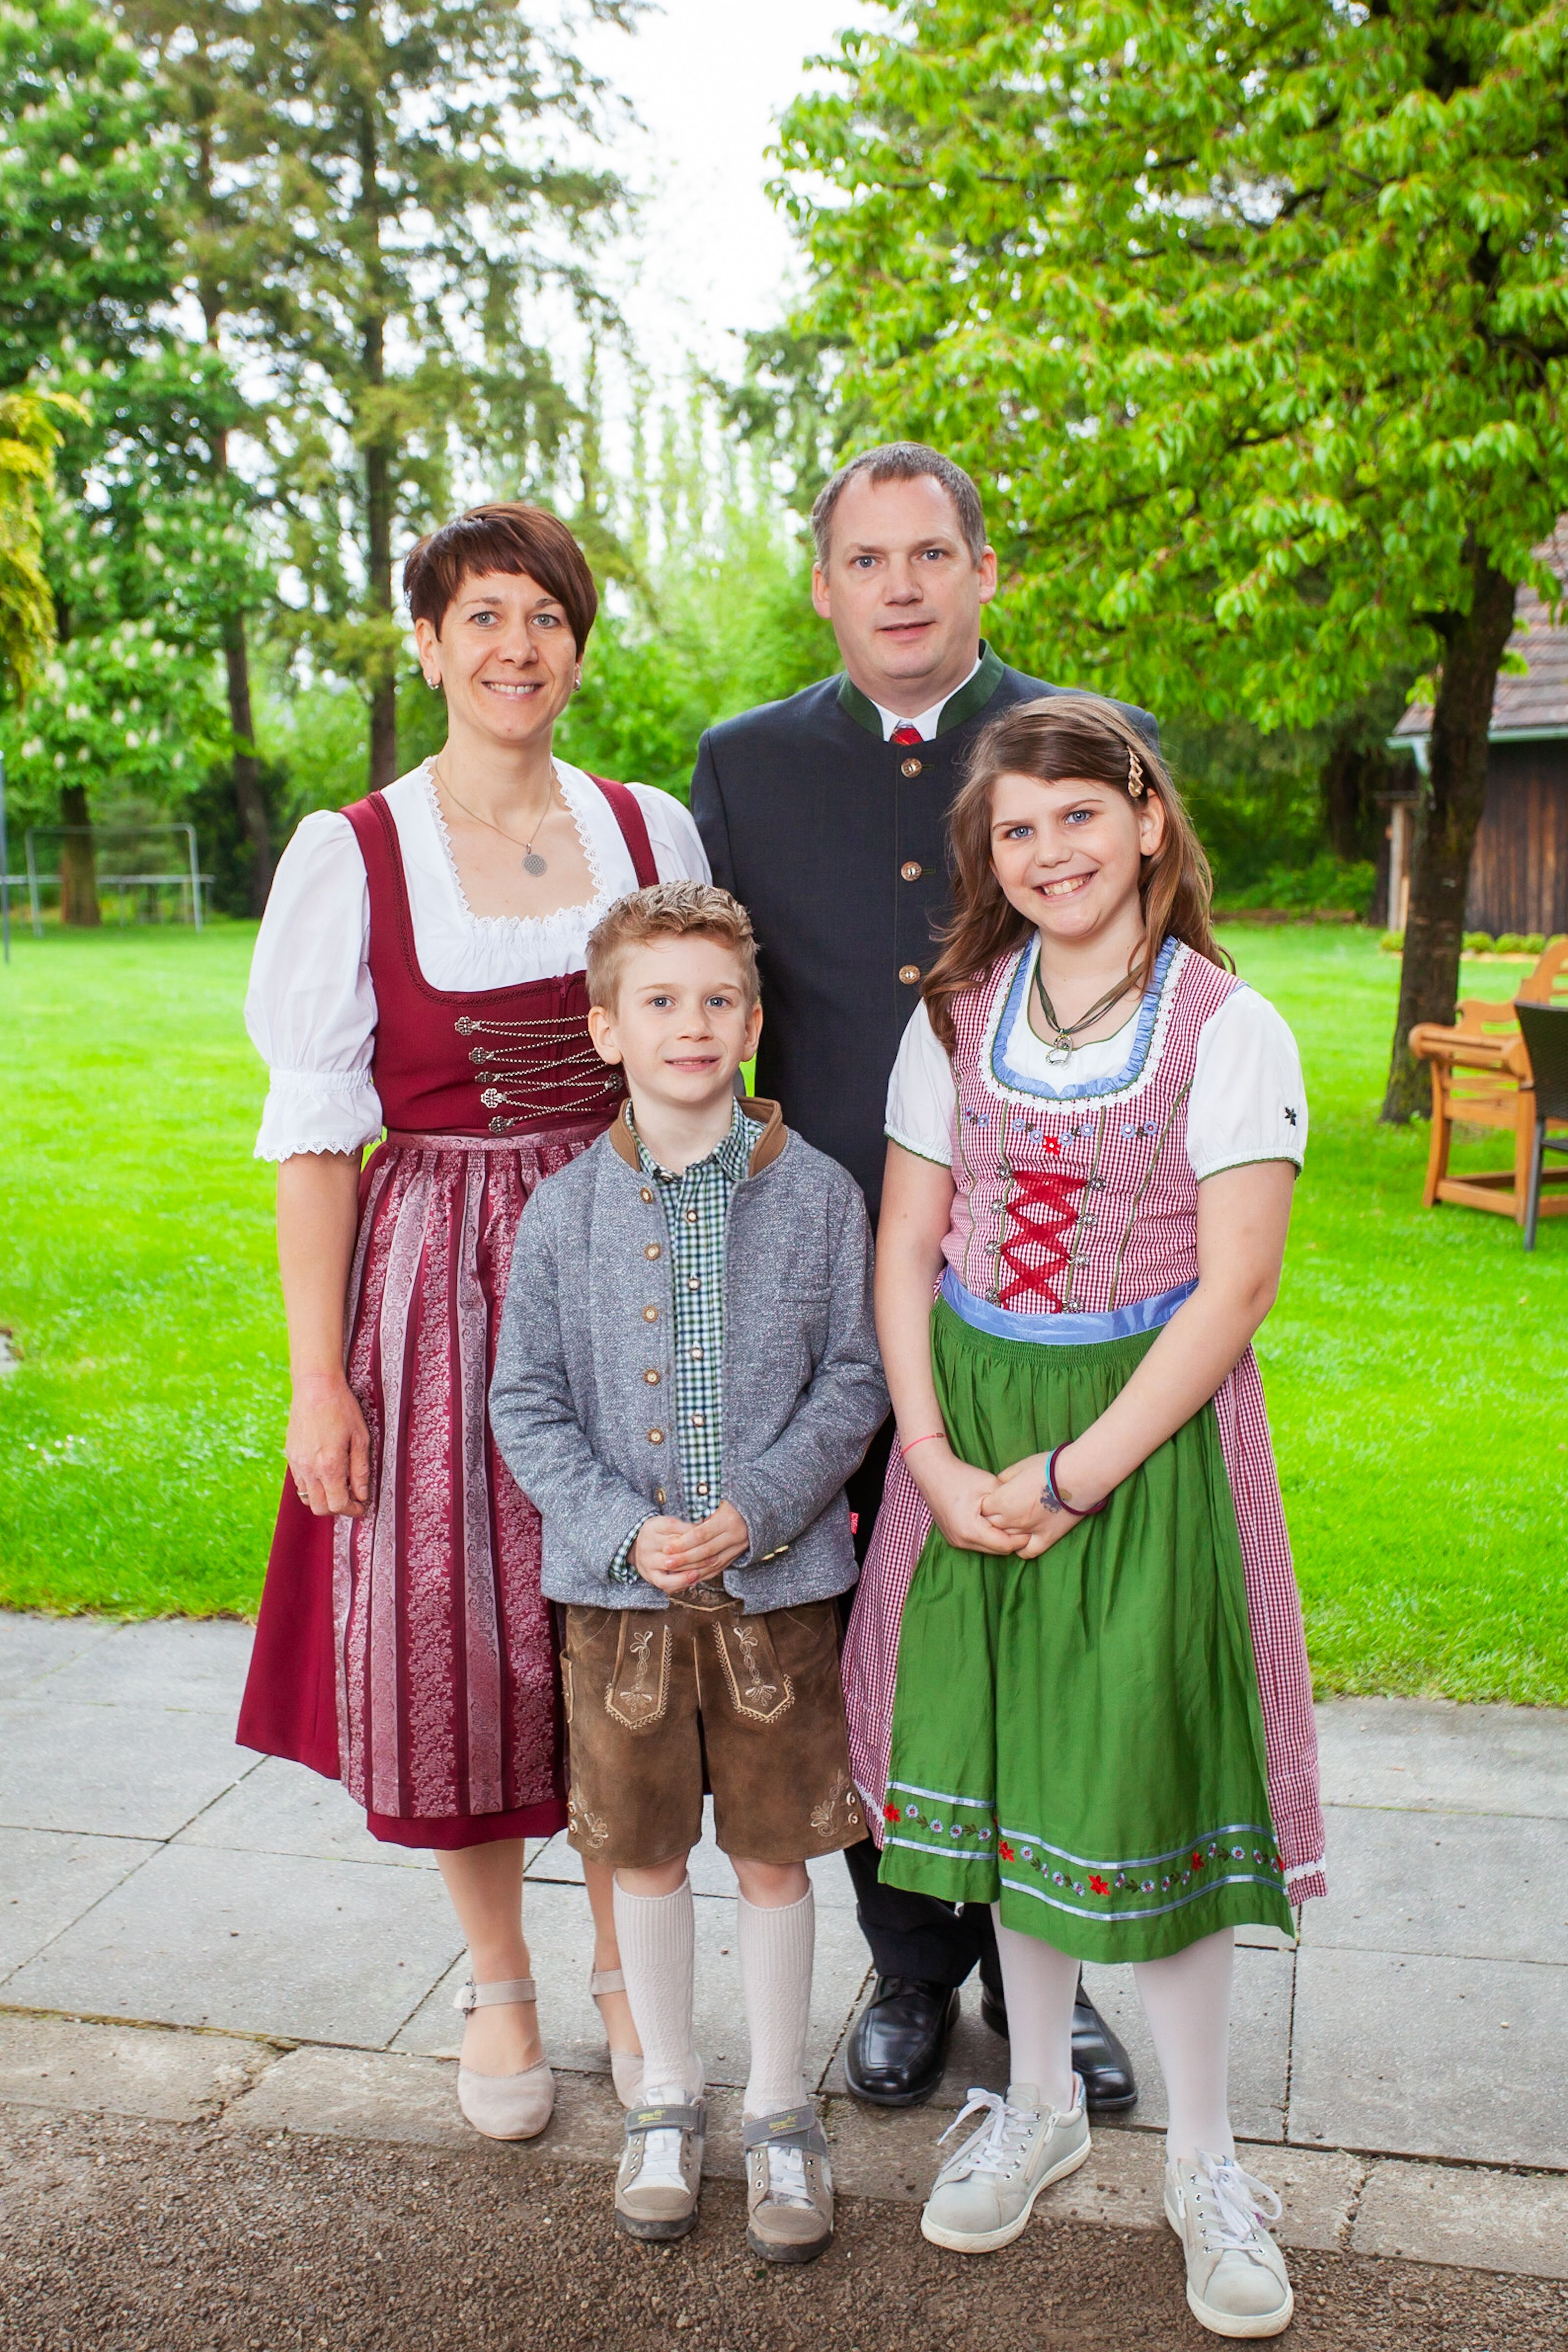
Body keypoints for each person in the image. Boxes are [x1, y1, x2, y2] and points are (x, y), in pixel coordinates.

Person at [237, 502, 711, 2143]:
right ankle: (498, 1975)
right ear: (430, 644)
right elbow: (317, 1140)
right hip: (441, 1273)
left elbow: (712, 1046)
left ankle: (624, 1962)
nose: (518, 647)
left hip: (631, 1249)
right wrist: (318, 1379)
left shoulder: (649, 827)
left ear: (578, 647)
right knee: (456, 1626)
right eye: (485, 617)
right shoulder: (353, 850)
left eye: (547, 618)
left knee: (630, 1616)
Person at [856, 693, 1323, 2333]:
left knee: (1154, 1769)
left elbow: (1236, 1286)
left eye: (1077, 815)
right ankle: (1040, 2099)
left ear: (1144, 818)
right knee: (1009, 1767)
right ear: (987, 854)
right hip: (975, 1423)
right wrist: (929, 1452)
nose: (1049, 850)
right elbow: (908, 1240)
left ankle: (1205, 2159)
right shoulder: (955, 1015)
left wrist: (1078, 1472)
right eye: (1016, 829)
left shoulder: (1226, 1025)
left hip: (1145, 1436)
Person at [692, 440, 1138, 2109]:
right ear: (824, 586)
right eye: (867, 559)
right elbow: (708, 1009)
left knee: (1036, 1618)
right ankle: (910, 1963)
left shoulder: (1079, 745)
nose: (900, 586)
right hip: (822, 1276)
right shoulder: (742, 765)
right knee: (860, 1627)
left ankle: (1047, 1974)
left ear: (983, 571)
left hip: (1039, 1274)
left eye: (930, 554)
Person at [489, 882, 887, 2262]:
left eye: (719, 1000)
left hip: (778, 1597)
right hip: (623, 1608)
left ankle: (780, 2107)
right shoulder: (562, 1212)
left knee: (775, 1854)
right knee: (644, 1853)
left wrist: (760, 1509)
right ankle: (666, 2092)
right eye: (659, 1001)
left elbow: (856, 1378)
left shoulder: (821, 1195)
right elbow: (525, 1401)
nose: (692, 1024)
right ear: (608, 1029)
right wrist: (619, 1528)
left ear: (755, 1022)